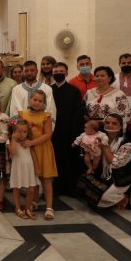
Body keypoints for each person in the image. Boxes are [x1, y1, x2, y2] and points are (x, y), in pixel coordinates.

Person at [76, 113, 131, 210]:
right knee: (81, 182)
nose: (110, 125)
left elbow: (114, 163)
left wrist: (105, 148)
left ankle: (122, 197)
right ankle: (108, 199)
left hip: (119, 177)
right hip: (103, 174)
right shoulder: (99, 138)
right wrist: (89, 149)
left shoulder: (126, 144)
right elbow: (93, 157)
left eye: (114, 123)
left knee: (103, 197)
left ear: (120, 126)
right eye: (107, 122)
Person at [19, 90, 57, 221]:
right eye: (34, 100)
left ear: (44, 103)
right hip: (28, 150)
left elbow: (48, 135)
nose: (37, 103)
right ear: (29, 100)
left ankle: (49, 208)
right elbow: (19, 130)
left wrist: (32, 142)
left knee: (46, 178)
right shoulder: (23, 114)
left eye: (40, 101)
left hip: (43, 149)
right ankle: (33, 201)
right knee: (32, 178)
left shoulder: (46, 116)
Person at [50, 62, 85, 197]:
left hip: (69, 132)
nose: (58, 74)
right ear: (52, 74)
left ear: (66, 73)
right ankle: (56, 188)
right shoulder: (49, 90)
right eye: (56, 72)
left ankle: (69, 188)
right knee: (55, 160)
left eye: (61, 71)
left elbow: (78, 113)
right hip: (53, 132)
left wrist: (75, 134)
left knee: (69, 161)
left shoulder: (73, 90)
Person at [7, 119, 40, 219]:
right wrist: (13, 139)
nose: (22, 134)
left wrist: (37, 167)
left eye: (24, 132)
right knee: (16, 188)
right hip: (18, 168)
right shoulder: (10, 142)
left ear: (28, 132)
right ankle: (17, 208)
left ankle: (27, 209)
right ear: (14, 131)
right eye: (19, 131)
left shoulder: (28, 142)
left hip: (29, 169)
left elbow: (33, 154)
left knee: (31, 189)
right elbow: (13, 152)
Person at [8, 60, 57, 125]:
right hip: (22, 127)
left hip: (41, 127)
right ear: (23, 72)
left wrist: (39, 123)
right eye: (26, 71)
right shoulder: (16, 89)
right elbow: (15, 109)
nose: (29, 73)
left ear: (37, 71)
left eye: (32, 70)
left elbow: (50, 109)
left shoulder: (47, 89)